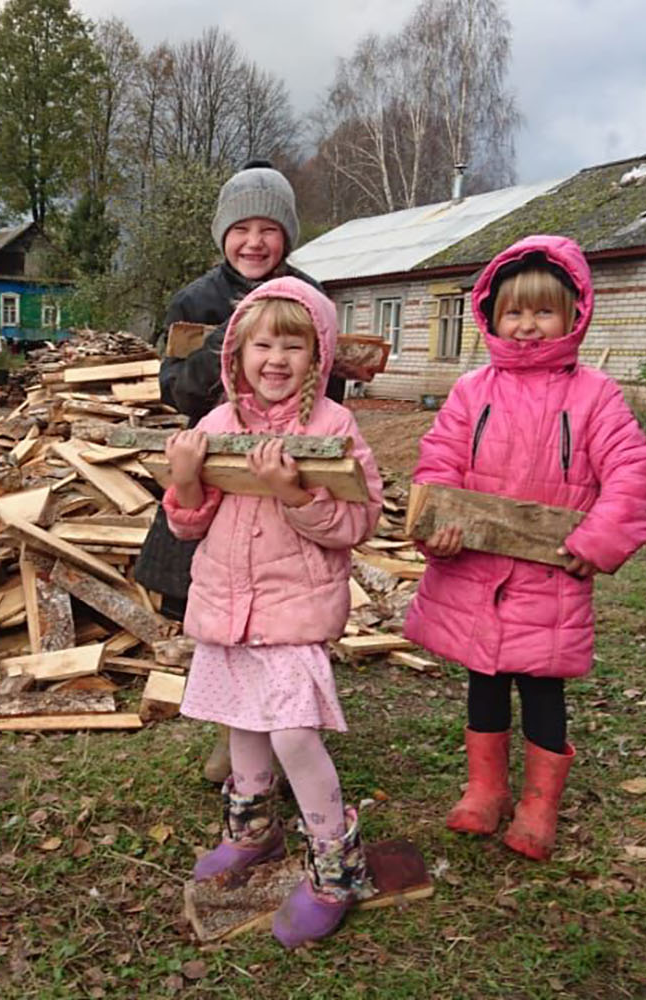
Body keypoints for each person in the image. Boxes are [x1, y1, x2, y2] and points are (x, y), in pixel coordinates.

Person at [405, 235, 646, 861]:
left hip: (550, 575)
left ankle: (539, 803)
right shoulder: (471, 393)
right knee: (483, 680)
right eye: (513, 312)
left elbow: (632, 474)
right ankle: (485, 787)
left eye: (543, 312)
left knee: (542, 688)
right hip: (475, 568)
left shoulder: (594, 395)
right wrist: (438, 523)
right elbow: (439, 463)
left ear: (574, 315)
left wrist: (596, 541)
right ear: (491, 316)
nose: (526, 326)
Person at [163, 276, 383, 948]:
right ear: (236, 354)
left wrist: (294, 494)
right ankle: (253, 830)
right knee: (242, 723)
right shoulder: (216, 424)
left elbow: (358, 522)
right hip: (228, 606)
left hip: (294, 608)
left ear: (317, 357)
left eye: (294, 345)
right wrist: (182, 481)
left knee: (292, 733)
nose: (276, 359)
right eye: (262, 344)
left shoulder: (333, 426)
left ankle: (334, 868)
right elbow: (188, 526)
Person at [139, 159, 326, 783]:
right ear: (222, 234)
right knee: (223, 610)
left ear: (287, 236)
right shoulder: (193, 301)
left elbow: (329, 396)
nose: (254, 241)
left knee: (285, 605)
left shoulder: (310, 297)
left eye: (268, 228)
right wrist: (225, 345)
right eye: (241, 227)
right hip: (216, 478)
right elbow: (173, 392)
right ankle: (236, 732)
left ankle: (287, 721)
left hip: (285, 476)